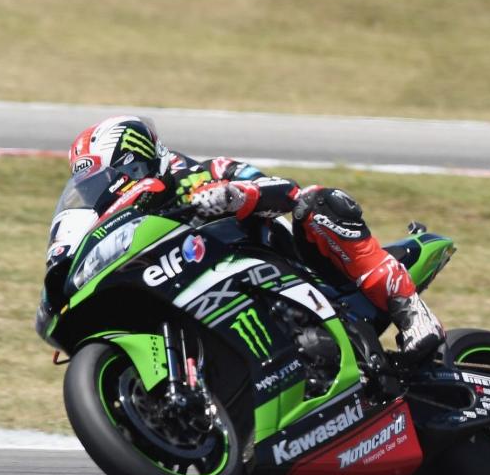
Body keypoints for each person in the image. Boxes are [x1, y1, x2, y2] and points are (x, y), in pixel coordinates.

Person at [44, 115, 443, 363]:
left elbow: (287, 191)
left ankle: (411, 313)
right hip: (213, 294)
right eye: (89, 187)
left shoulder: (200, 173)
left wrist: (235, 195)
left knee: (316, 203)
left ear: (133, 162)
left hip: (299, 273)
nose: (100, 193)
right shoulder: (128, 222)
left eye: (102, 180)